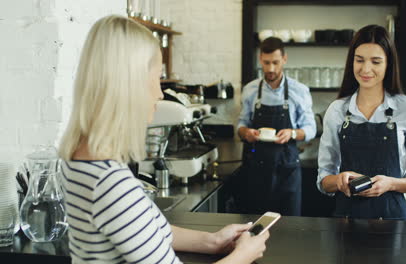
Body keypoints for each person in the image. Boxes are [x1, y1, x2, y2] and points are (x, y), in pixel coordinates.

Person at [58, 15, 269, 264]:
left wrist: (212, 242)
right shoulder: (111, 183)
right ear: (130, 84)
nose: (159, 93)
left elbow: (147, 231)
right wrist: (244, 254)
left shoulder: (79, 158)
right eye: (156, 79)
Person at [316, 25, 406, 221]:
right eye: (359, 60)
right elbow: (324, 179)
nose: (366, 69)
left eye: (376, 62)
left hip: (393, 223)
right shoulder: (337, 110)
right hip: (346, 222)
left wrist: (391, 184)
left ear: (388, 64)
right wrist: (339, 180)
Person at [237, 37, 316, 216]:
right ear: (260, 60)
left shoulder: (299, 91)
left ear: (284, 59)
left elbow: (310, 129)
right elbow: (241, 124)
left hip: (287, 171)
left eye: (275, 62)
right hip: (256, 171)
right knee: (254, 225)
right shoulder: (250, 90)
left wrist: (293, 133)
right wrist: (245, 132)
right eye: (266, 63)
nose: (271, 68)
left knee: (289, 229)